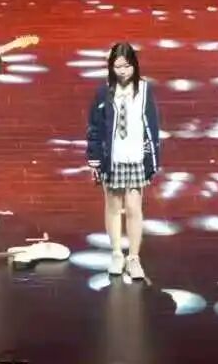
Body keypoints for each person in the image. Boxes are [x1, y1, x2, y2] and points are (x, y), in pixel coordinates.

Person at [85, 41, 161, 281]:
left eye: (127, 66)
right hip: (113, 158)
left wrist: (153, 161)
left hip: (136, 158)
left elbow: (153, 127)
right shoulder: (104, 92)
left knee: (134, 208)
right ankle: (117, 253)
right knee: (113, 207)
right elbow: (95, 127)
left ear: (135, 66)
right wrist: (94, 160)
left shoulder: (145, 90)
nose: (123, 72)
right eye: (118, 67)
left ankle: (134, 258)